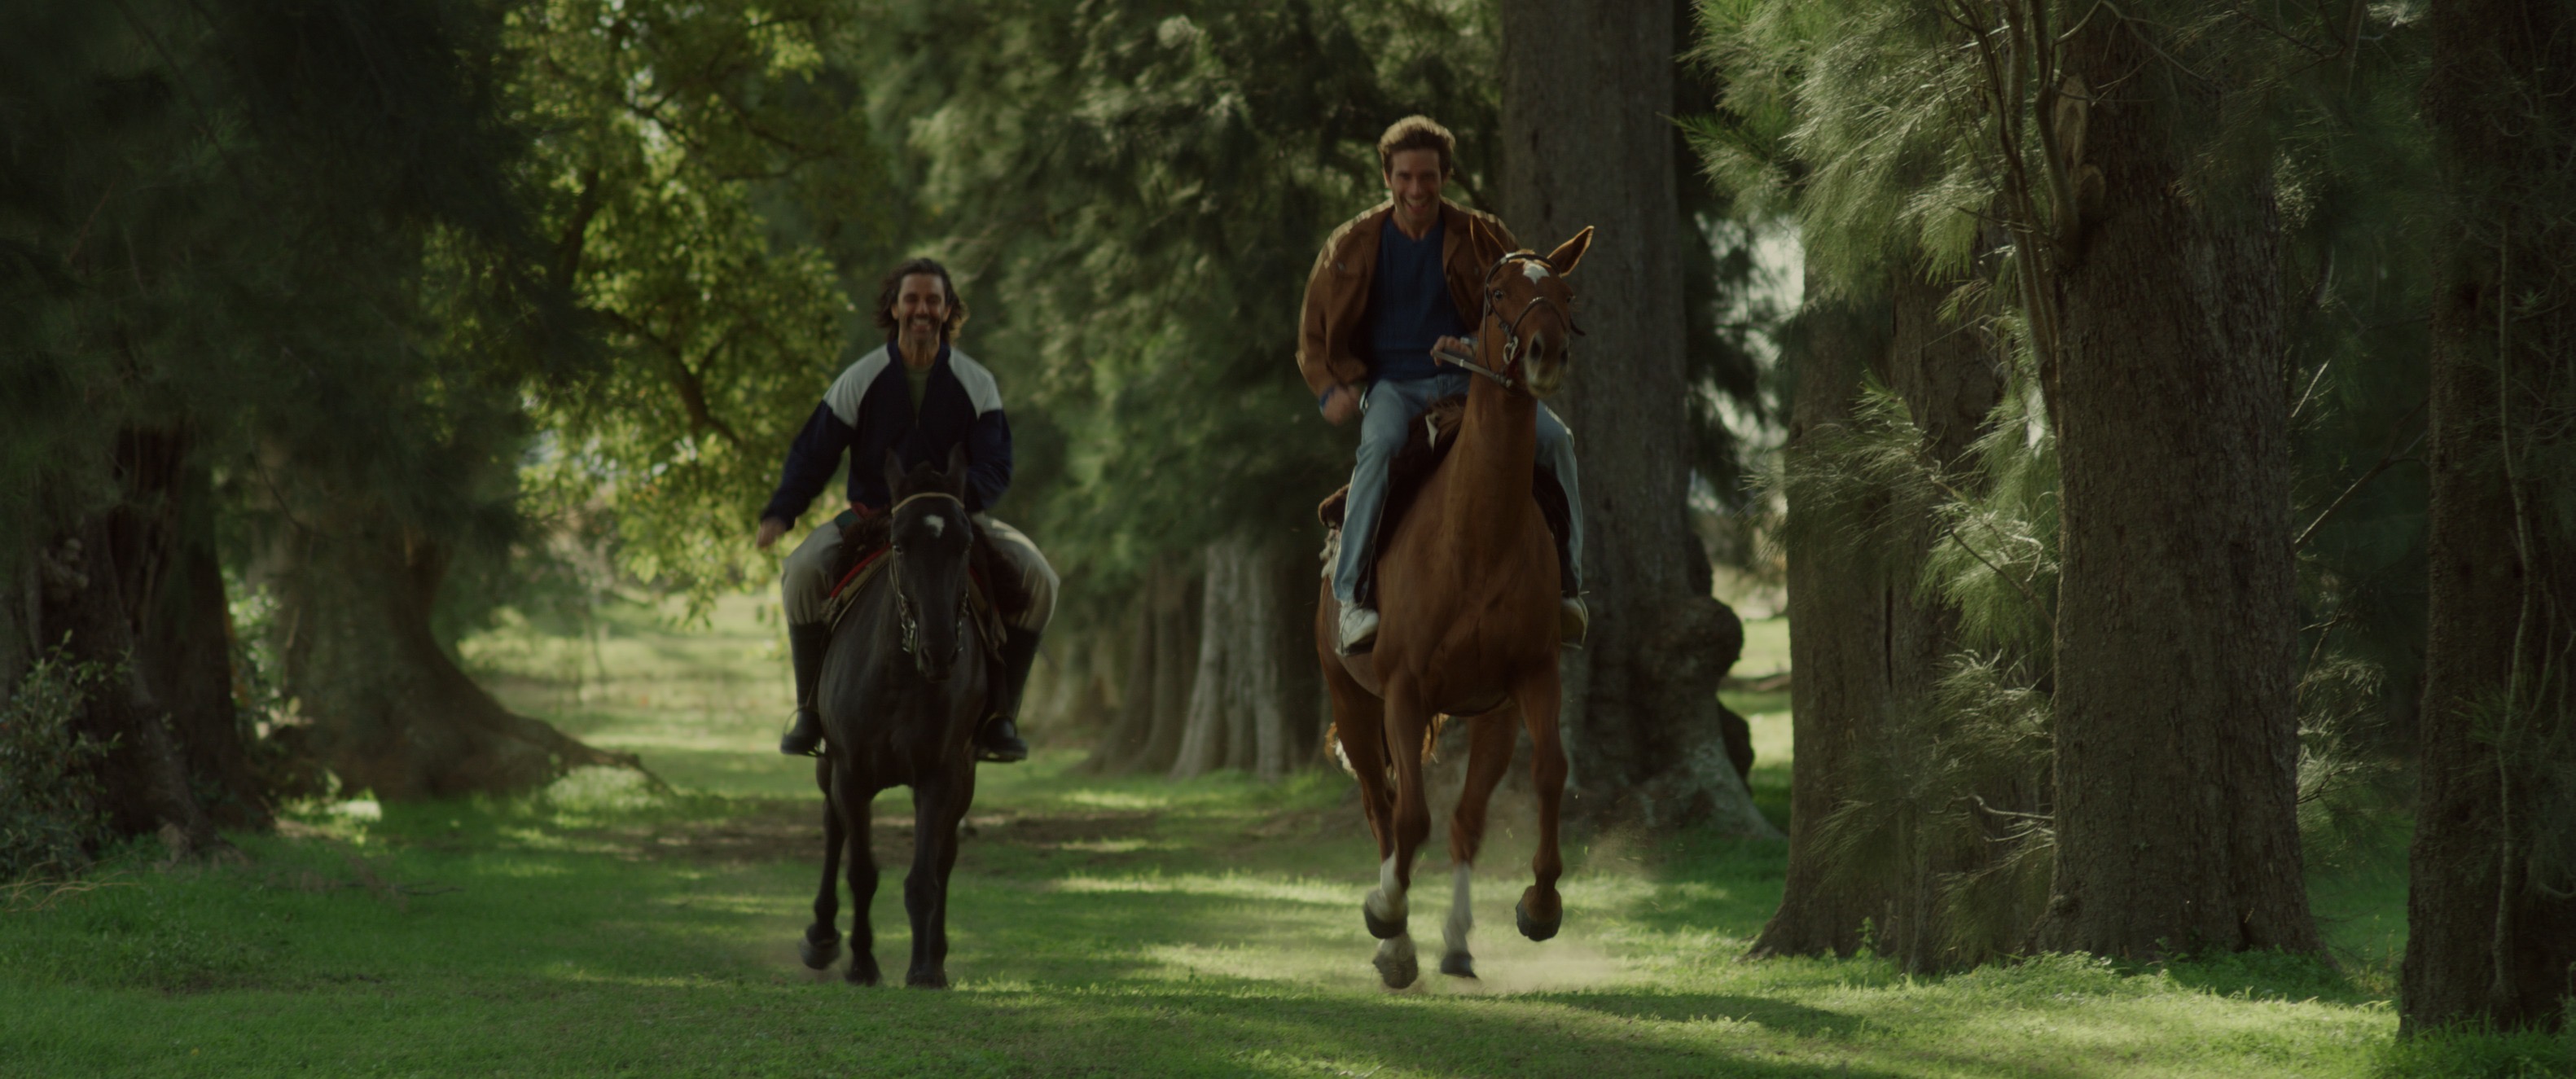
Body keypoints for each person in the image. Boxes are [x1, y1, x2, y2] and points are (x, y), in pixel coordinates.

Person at [1297, 115, 1587, 654]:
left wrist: (1470, 344)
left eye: (1426, 176)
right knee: (1379, 447)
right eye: (1404, 176)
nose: (1415, 189)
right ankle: (1353, 599)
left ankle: (1568, 587)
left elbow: (1518, 308)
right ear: (1387, 177)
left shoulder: (1483, 236)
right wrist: (1327, 387)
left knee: (1556, 441)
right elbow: (1312, 331)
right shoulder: (1352, 244)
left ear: (1444, 176)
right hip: (1393, 387)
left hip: (1473, 383)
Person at [757, 257, 1058, 761]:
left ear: (947, 309)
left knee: (1041, 580)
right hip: (873, 520)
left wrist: (960, 500)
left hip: (958, 517)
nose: (923, 309)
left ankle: (1001, 717)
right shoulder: (861, 378)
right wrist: (782, 511)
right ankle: (809, 710)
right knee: (802, 571)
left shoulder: (976, 382)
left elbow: (997, 463)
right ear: (894, 307)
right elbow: (815, 453)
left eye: (933, 300)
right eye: (913, 299)